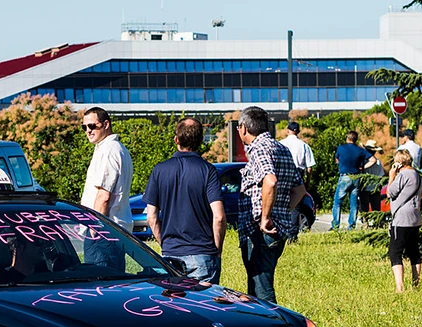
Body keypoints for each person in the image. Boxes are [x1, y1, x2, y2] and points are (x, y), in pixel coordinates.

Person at [236, 106, 306, 304]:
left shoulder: (259, 149)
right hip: (278, 229)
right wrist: (282, 211)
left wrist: (265, 217)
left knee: (262, 289)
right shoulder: (281, 149)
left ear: (243, 128)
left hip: (261, 231)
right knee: (258, 286)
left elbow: (270, 180)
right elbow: (299, 190)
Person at [143, 118, 226, 283]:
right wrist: (217, 250)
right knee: (204, 307)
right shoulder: (208, 171)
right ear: (201, 140)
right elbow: (219, 217)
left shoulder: (159, 170)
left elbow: (151, 217)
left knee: (175, 308)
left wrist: (165, 244)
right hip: (203, 254)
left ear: (176, 139)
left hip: (171, 255)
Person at [80, 107, 133, 270]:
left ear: (106, 124)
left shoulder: (109, 150)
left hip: (103, 231)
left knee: (99, 288)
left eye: (92, 126)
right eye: (85, 127)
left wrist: (94, 228)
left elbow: (104, 195)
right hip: (111, 230)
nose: (88, 131)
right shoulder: (115, 148)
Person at [387, 149, 422, 293]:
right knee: (414, 251)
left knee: (395, 252)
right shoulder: (416, 174)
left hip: (401, 219)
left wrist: (391, 175)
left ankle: (400, 287)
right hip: (415, 218)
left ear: (399, 163)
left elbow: (389, 192)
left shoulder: (402, 175)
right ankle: (415, 284)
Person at [332, 130, 377, 231]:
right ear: (356, 139)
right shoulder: (360, 150)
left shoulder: (341, 148)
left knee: (338, 202)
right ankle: (351, 226)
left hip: (344, 176)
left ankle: (335, 225)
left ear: (347, 138)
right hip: (356, 177)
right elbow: (373, 160)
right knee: (354, 203)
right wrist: (363, 167)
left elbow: (337, 160)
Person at [279, 121, 316, 235]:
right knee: (296, 206)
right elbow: (309, 167)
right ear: (298, 132)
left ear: (287, 131)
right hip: (298, 173)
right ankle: (292, 235)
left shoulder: (280, 144)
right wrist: (307, 183)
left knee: (281, 204)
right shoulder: (304, 145)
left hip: (283, 174)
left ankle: (281, 232)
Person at [359, 139, 385, 216]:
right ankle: (376, 224)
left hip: (365, 187)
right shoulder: (378, 162)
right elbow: (381, 175)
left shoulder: (362, 161)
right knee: (376, 209)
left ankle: (365, 222)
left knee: (364, 208)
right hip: (375, 188)